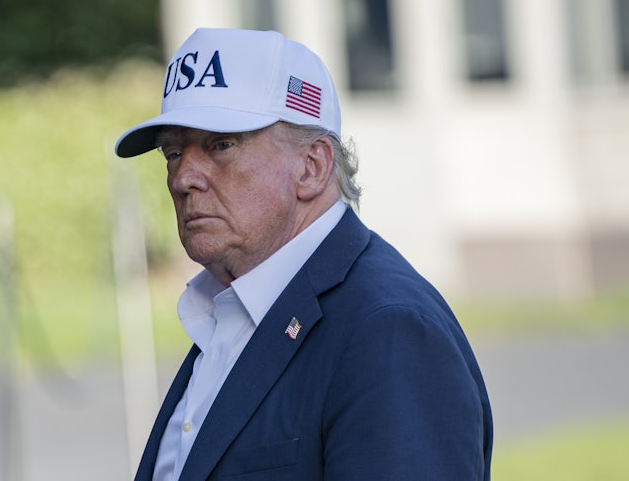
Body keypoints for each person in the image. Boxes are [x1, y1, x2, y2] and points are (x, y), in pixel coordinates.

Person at [115, 27, 493, 480]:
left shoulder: (386, 328)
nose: (183, 178)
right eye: (173, 152)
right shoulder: (234, 309)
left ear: (312, 167)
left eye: (221, 145)